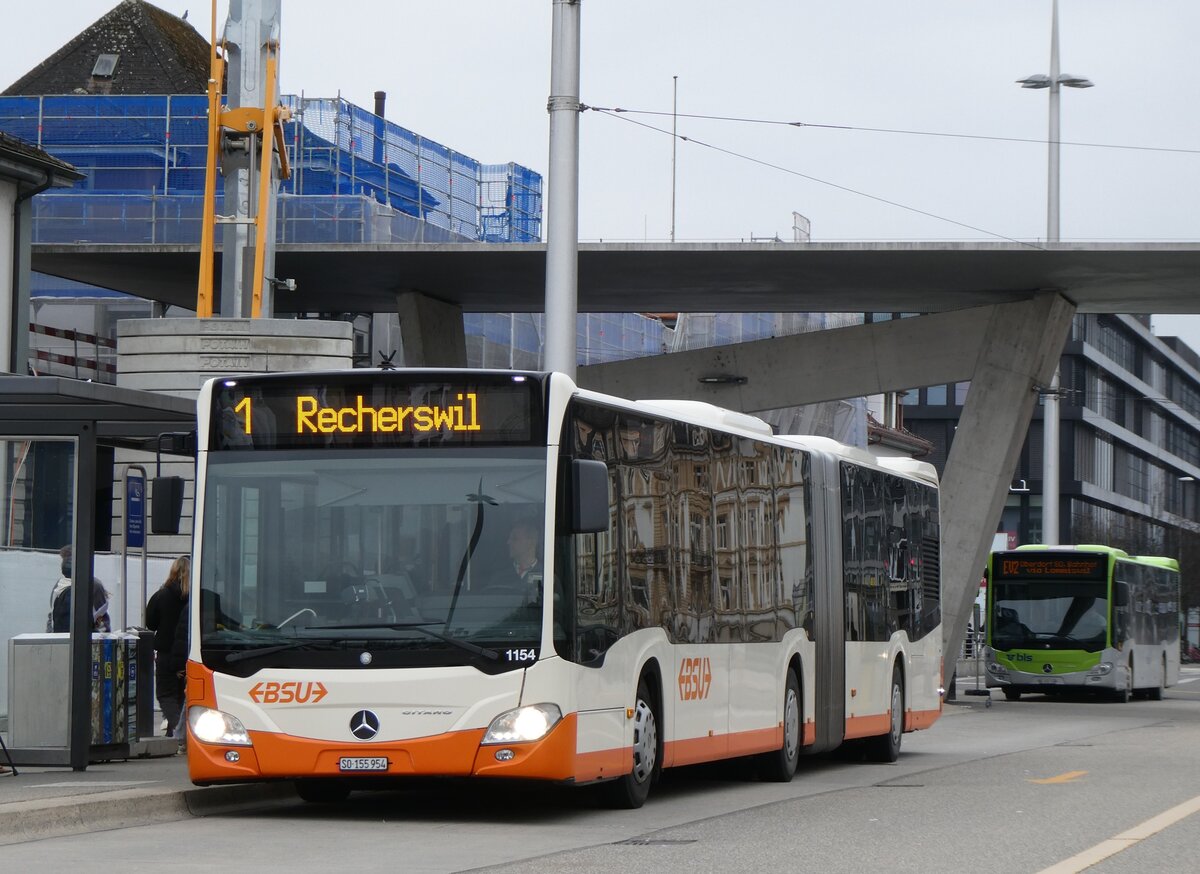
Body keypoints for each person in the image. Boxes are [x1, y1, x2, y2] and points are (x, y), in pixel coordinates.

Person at [144, 555, 189, 737]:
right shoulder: (197, 597)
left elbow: (151, 624)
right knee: (182, 695)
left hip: (167, 653)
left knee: (166, 694)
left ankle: (180, 733)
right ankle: (174, 732)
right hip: (190, 653)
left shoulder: (162, 595)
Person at [50, 545, 111, 633]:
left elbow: (100, 616)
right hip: (74, 638)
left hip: (66, 638)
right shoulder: (93, 584)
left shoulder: (60, 584)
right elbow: (101, 617)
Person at [488, 516, 544, 603]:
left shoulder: (547, 577)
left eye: (514, 538)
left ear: (531, 542)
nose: (508, 542)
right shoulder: (499, 578)